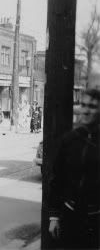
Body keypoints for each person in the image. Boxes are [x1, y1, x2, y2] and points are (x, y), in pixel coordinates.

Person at [48, 88, 100, 249]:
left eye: (92, 106)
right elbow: (57, 179)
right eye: (82, 104)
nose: (85, 110)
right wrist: (54, 217)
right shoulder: (70, 140)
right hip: (71, 215)